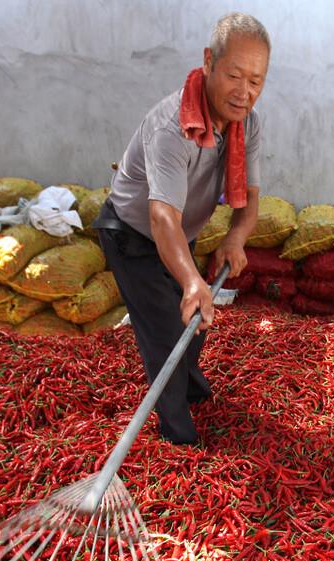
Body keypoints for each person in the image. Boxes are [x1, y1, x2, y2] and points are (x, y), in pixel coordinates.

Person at [94, 13, 270, 444]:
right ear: (209, 62)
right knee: (166, 333)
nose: (245, 92)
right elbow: (161, 217)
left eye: (256, 81)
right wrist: (192, 280)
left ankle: (193, 392)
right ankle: (179, 438)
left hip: (178, 235)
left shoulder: (246, 124)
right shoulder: (173, 128)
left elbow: (250, 197)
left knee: (194, 322)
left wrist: (235, 238)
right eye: (234, 75)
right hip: (131, 233)